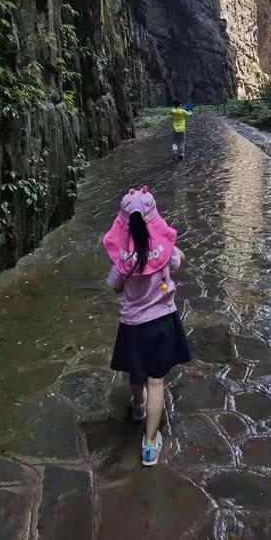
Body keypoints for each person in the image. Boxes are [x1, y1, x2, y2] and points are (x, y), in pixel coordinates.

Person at [103, 186, 191, 466]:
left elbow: (115, 287)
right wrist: (169, 249)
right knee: (157, 381)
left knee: (136, 371)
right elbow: (180, 259)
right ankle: (150, 445)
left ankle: (138, 407)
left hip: (133, 326)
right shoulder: (165, 251)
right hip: (163, 322)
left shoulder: (123, 261)